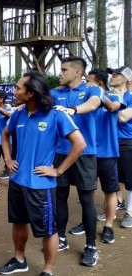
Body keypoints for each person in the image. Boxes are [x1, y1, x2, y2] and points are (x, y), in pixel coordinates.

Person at [0, 71, 85, 276]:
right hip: (18, 181)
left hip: (41, 186)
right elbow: (5, 134)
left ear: (31, 93)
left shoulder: (56, 115)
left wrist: (58, 170)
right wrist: (8, 159)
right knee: (18, 222)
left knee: (48, 230)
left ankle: (48, 270)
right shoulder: (18, 113)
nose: (14, 91)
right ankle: (20, 260)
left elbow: (80, 144)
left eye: (18, 88)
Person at [51, 57, 101, 266]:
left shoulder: (91, 89)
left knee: (86, 199)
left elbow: (93, 104)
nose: (60, 73)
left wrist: (73, 110)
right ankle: (61, 238)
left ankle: (91, 246)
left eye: (63, 69)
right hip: (60, 153)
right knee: (60, 196)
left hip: (84, 153)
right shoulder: (55, 93)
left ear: (78, 72)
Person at [69, 69, 123, 243]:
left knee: (110, 191)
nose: (85, 83)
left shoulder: (113, 97)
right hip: (87, 153)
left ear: (99, 83)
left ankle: (108, 226)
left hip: (107, 153)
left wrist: (99, 94)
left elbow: (113, 107)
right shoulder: (85, 100)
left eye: (89, 81)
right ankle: (87, 222)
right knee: (87, 190)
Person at [112, 66, 132, 228]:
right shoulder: (109, 96)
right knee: (115, 176)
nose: (112, 77)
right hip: (110, 141)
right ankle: (118, 201)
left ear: (125, 79)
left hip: (127, 141)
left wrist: (115, 103)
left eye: (117, 75)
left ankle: (130, 212)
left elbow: (123, 118)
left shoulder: (130, 97)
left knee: (130, 178)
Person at [0, 89, 13, 179]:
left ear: (1, 99)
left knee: (8, 162)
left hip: (6, 141)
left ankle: (12, 181)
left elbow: (8, 115)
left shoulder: (8, 108)